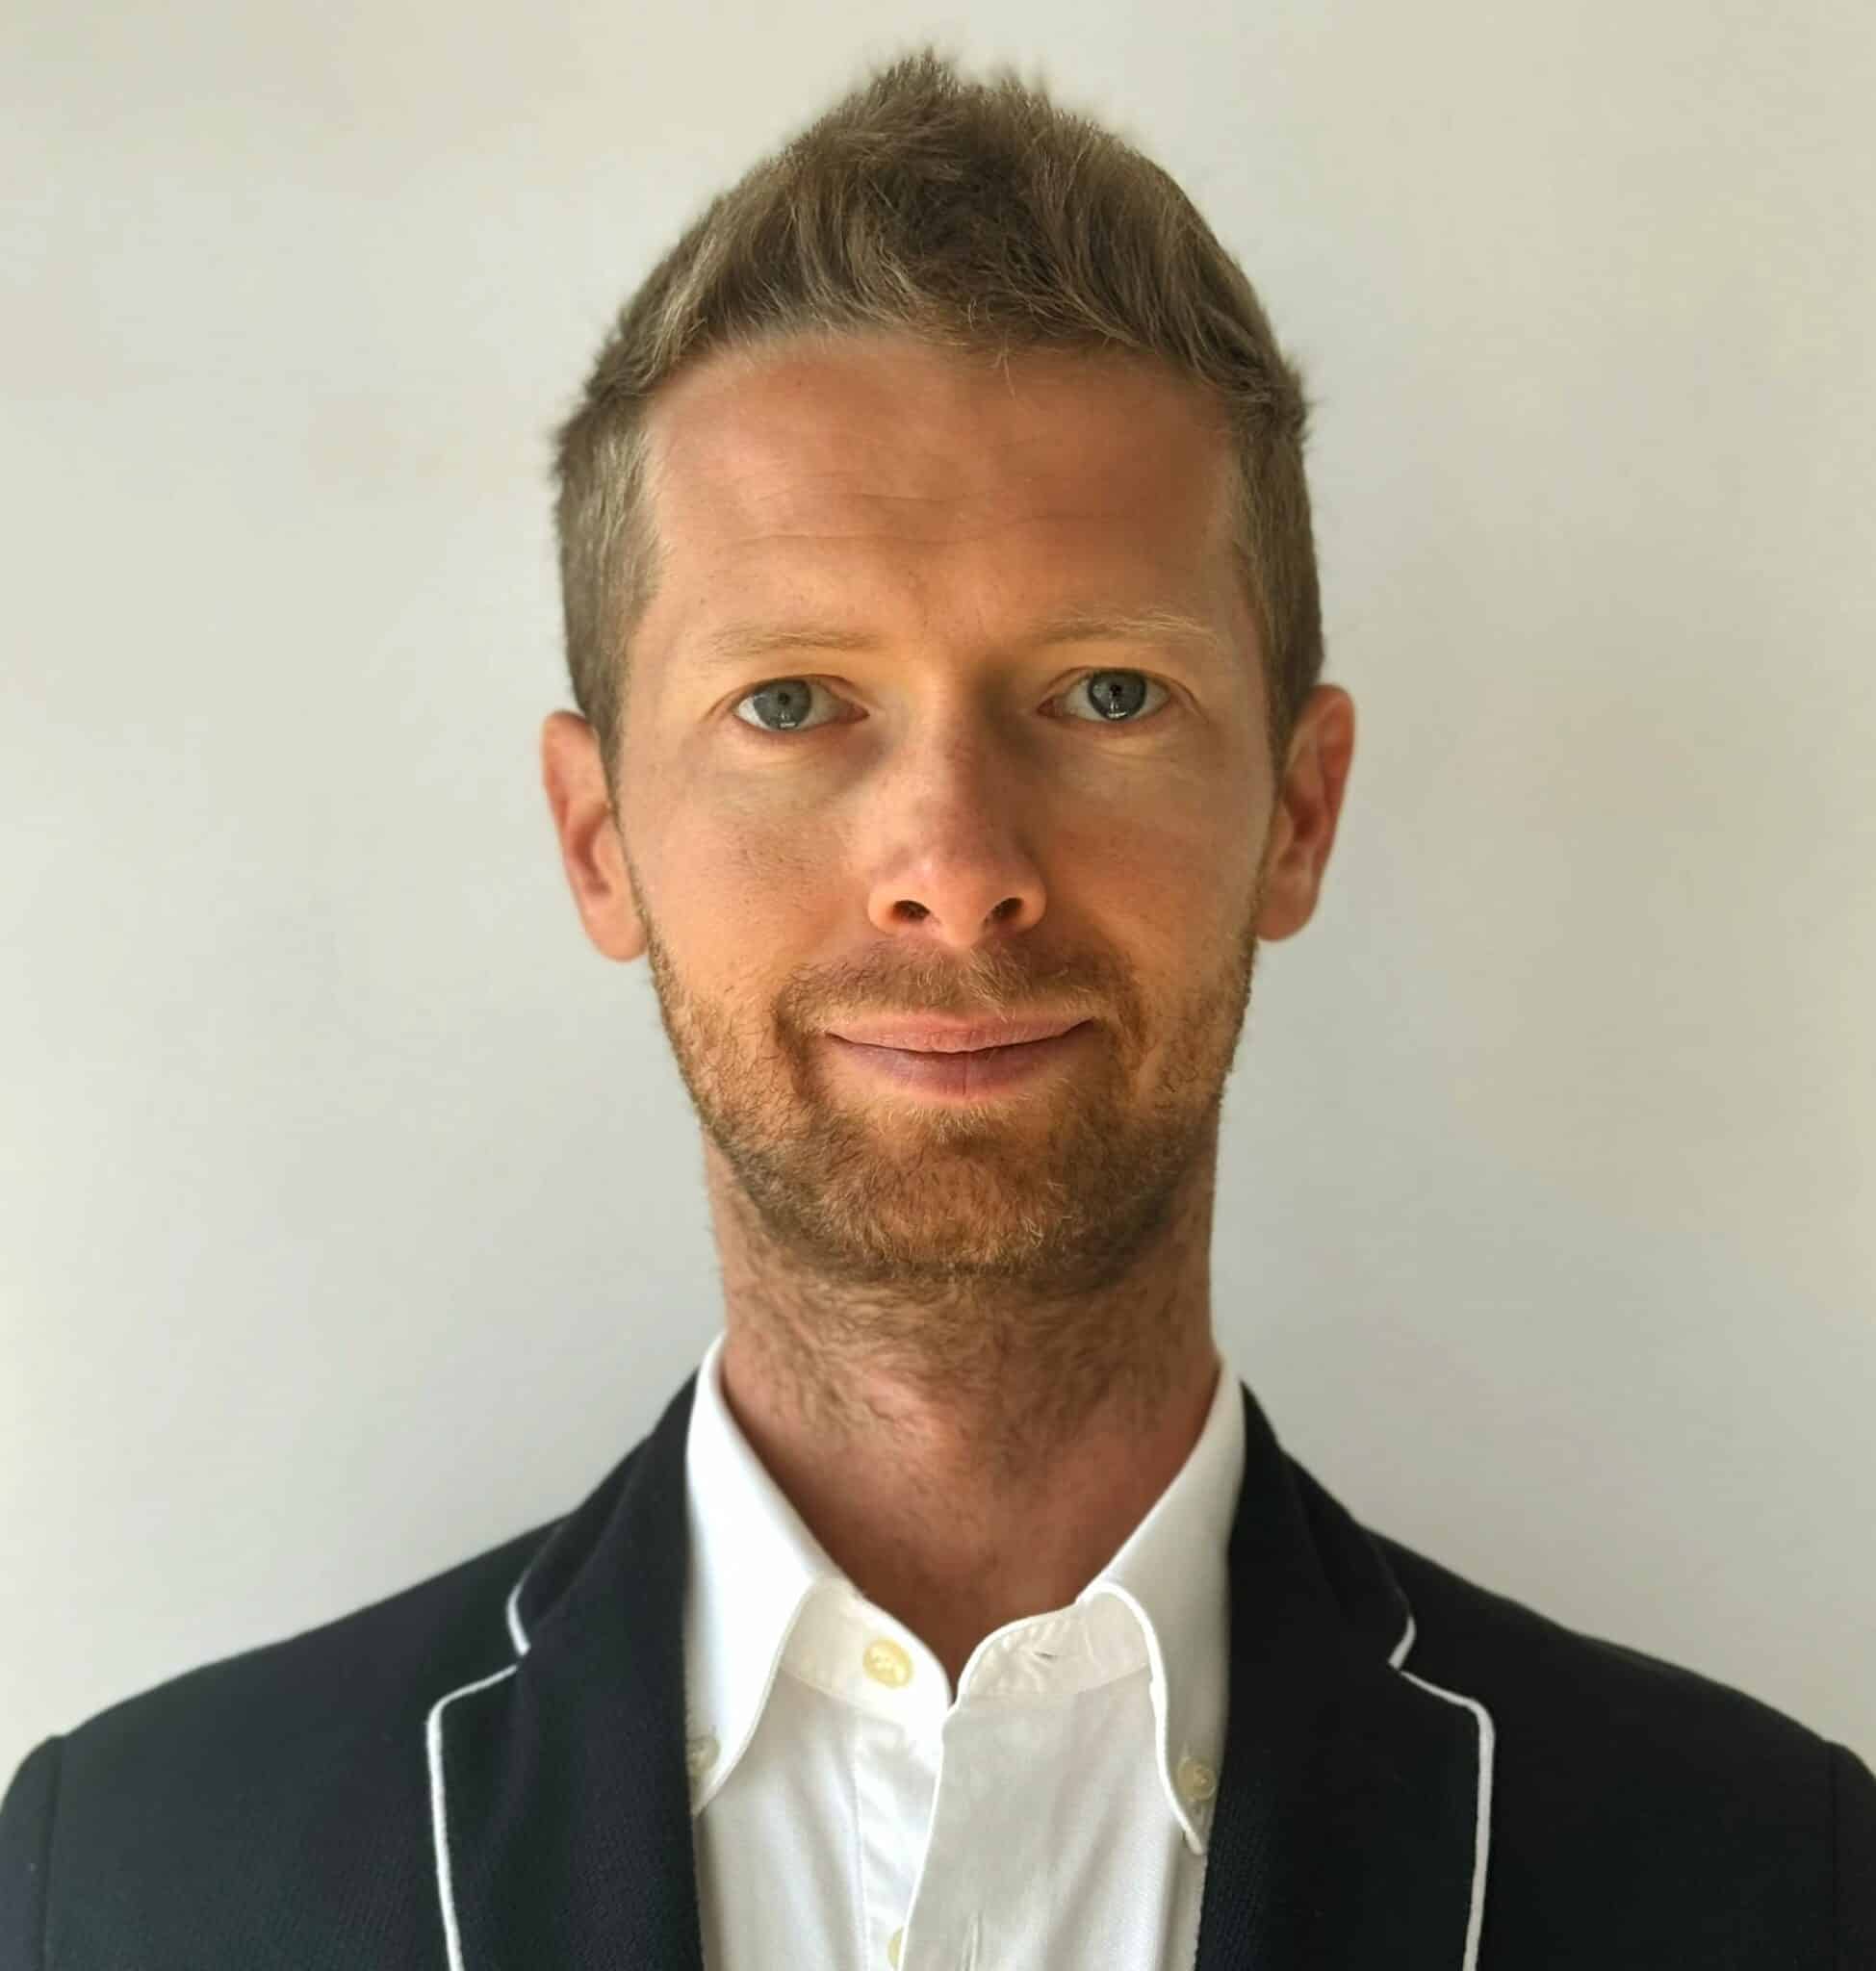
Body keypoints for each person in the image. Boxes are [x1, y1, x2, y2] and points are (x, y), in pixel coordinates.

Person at [4, 41, 1870, 1971]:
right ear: (599, 840)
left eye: (1107, 693)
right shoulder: (130, 1885)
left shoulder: (1764, 1889)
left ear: (1298, 812)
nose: (955, 863)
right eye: (793, 701)